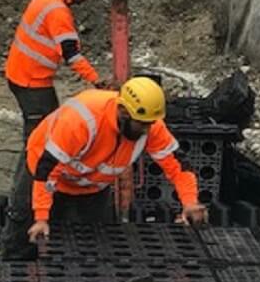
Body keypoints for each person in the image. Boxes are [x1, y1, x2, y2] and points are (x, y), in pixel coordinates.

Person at [0, 0, 108, 259]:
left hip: (27, 77)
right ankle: (26, 204)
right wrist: (98, 82)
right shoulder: (58, 10)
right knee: (40, 145)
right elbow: (72, 54)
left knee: (49, 133)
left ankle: (41, 188)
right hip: (31, 81)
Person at [24, 77, 209, 241]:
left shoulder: (149, 123)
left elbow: (179, 166)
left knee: (93, 244)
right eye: (142, 124)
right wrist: (41, 217)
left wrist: (190, 202)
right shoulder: (81, 121)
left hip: (91, 188)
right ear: (123, 112)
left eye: (150, 124)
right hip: (43, 175)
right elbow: (47, 170)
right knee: (25, 236)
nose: (147, 130)